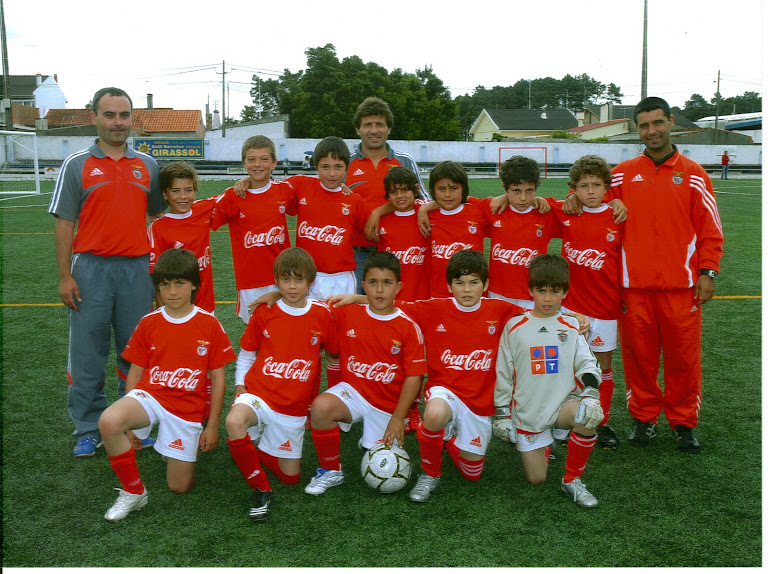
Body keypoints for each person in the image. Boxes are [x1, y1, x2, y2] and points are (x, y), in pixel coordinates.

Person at [564, 96, 724, 453]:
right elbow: (588, 191)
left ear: (670, 122)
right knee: (640, 359)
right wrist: (570, 197)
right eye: (644, 125)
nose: (652, 131)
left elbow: (710, 230)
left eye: (657, 123)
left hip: (681, 288)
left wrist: (707, 271)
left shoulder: (694, 175)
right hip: (632, 288)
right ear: (638, 129)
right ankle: (644, 418)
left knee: (683, 359)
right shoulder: (620, 174)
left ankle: (683, 423)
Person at [48, 86, 164, 458]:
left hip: (135, 270)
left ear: (133, 118)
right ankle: (87, 426)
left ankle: (131, 422)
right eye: (110, 115)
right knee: (87, 354)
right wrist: (66, 276)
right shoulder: (77, 163)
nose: (118, 122)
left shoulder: (147, 164)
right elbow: (65, 222)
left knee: (136, 352)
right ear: (94, 117)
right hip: (91, 270)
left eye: (124, 115)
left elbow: (156, 216)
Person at [98, 249, 236, 521]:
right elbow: (135, 373)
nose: (172, 291)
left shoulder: (209, 324)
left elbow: (219, 378)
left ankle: (178, 446)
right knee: (110, 421)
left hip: (186, 408)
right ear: (157, 287)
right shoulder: (149, 322)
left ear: (194, 284)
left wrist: (212, 426)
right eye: (165, 284)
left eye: (180, 283)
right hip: (150, 397)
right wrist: (132, 425)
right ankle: (134, 491)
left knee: (178, 487)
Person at [226, 247, 339, 521]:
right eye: (285, 279)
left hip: (294, 407)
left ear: (310, 282)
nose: (291, 286)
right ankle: (260, 488)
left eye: (298, 280)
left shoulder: (322, 314)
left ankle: (257, 446)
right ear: (276, 280)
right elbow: (247, 353)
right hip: (259, 394)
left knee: (290, 478)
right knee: (233, 422)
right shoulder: (265, 312)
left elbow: (335, 355)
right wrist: (240, 384)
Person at [303, 252, 426, 496]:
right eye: (373, 282)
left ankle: (376, 434)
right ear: (363, 285)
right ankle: (330, 470)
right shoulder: (347, 312)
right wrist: (276, 295)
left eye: (387, 283)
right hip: (355, 392)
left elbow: (415, 377)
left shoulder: (407, 327)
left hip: (388, 404)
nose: (379, 289)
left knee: (384, 466)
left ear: (398, 287)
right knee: (320, 408)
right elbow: (305, 305)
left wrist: (397, 418)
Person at [494, 254, 603, 508]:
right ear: (530, 290)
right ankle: (545, 442)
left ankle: (572, 480)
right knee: (536, 479)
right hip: (528, 412)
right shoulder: (514, 326)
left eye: (555, 291)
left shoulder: (571, 325)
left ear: (565, 293)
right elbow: (503, 373)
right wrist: (501, 413)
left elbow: (587, 362)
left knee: (588, 415)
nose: (547, 298)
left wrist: (590, 392)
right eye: (541, 290)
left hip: (562, 403)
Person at [547, 155, 624, 450]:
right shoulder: (567, 212)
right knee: (566, 363)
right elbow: (534, 204)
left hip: (605, 308)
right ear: (574, 188)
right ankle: (563, 418)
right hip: (569, 307)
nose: (590, 191)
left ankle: (599, 421)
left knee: (602, 365)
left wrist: (617, 201)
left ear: (607, 187)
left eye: (596, 185)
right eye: (583, 186)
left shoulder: (618, 218)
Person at [346, 97, 429, 293]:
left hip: (398, 252)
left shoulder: (404, 160)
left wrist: (379, 212)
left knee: (397, 310)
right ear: (358, 129)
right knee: (358, 313)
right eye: (367, 125)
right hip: (356, 255)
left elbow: (424, 200)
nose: (374, 130)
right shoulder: (346, 163)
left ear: (389, 128)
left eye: (380, 124)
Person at [211, 135, 295, 323]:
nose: (258, 164)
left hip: (284, 278)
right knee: (255, 334)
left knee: (285, 329)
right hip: (250, 282)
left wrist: (342, 188)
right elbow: (205, 218)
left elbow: (314, 191)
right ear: (244, 163)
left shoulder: (285, 191)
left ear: (274, 163)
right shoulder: (233, 197)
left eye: (264, 159)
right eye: (251, 159)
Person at [291, 136, 370, 300]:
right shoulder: (301, 185)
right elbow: (270, 190)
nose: (332, 173)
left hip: (342, 278)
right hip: (306, 276)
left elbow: (370, 232)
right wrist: (248, 181)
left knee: (341, 324)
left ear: (347, 167)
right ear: (316, 166)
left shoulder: (353, 200)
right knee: (308, 324)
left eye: (338, 167)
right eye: (325, 167)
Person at [148, 162, 217, 313]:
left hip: (206, 306)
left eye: (188, 190)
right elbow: (157, 277)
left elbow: (232, 197)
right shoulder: (158, 228)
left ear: (195, 190)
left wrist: (244, 182)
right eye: (175, 191)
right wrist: (164, 312)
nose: (183, 196)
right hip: (175, 309)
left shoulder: (203, 209)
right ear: (165, 194)